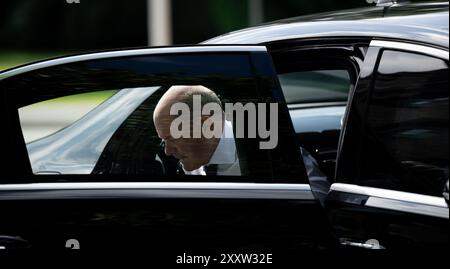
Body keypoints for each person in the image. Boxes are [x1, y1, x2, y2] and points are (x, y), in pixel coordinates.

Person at [153, 85, 241, 176]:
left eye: (172, 138)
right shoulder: (193, 159)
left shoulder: (252, 157)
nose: (167, 151)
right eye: (164, 140)